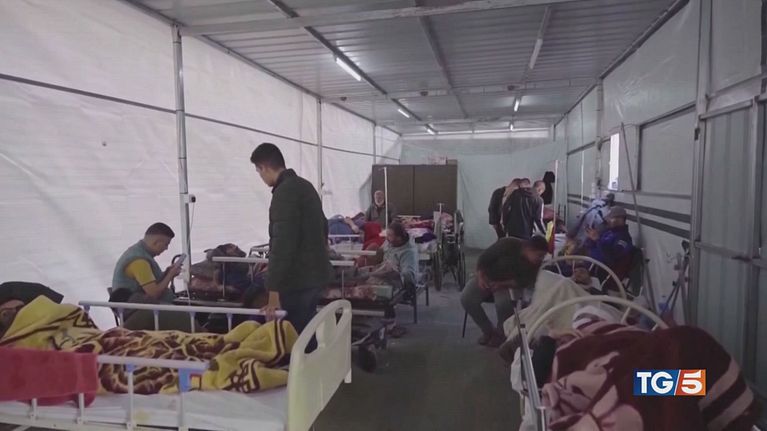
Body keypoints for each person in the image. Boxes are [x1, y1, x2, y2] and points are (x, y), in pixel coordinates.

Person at [251, 143, 333, 334]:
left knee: (295, 335)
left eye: (259, 171)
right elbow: (324, 226)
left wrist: (273, 292)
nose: (261, 177)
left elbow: (281, 246)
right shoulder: (305, 186)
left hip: (298, 280)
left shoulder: (284, 193)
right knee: (307, 331)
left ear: (264, 167)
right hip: (315, 275)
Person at [460, 236, 549, 347]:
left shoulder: (534, 264)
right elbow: (484, 258)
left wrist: (502, 284)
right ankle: (488, 331)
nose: (541, 259)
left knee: (504, 305)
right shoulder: (507, 244)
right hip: (488, 277)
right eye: (539, 255)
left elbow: (524, 282)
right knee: (467, 298)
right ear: (529, 249)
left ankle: (501, 334)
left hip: (509, 285)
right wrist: (481, 277)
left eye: (543, 256)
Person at [112, 222, 181, 304]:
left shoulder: (139, 253)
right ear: (156, 242)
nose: (166, 248)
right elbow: (153, 294)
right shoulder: (139, 261)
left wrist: (166, 273)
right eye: (166, 244)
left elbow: (151, 283)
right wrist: (170, 276)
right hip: (139, 308)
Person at [585, 206, 634, 280]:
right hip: (590, 264)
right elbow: (591, 247)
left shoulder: (623, 239)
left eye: (610, 218)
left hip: (600, 273)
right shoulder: (608, 232)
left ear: (620, 219)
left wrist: (597, 240)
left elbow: (610, 259)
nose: (607, 220)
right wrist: (591, 239)